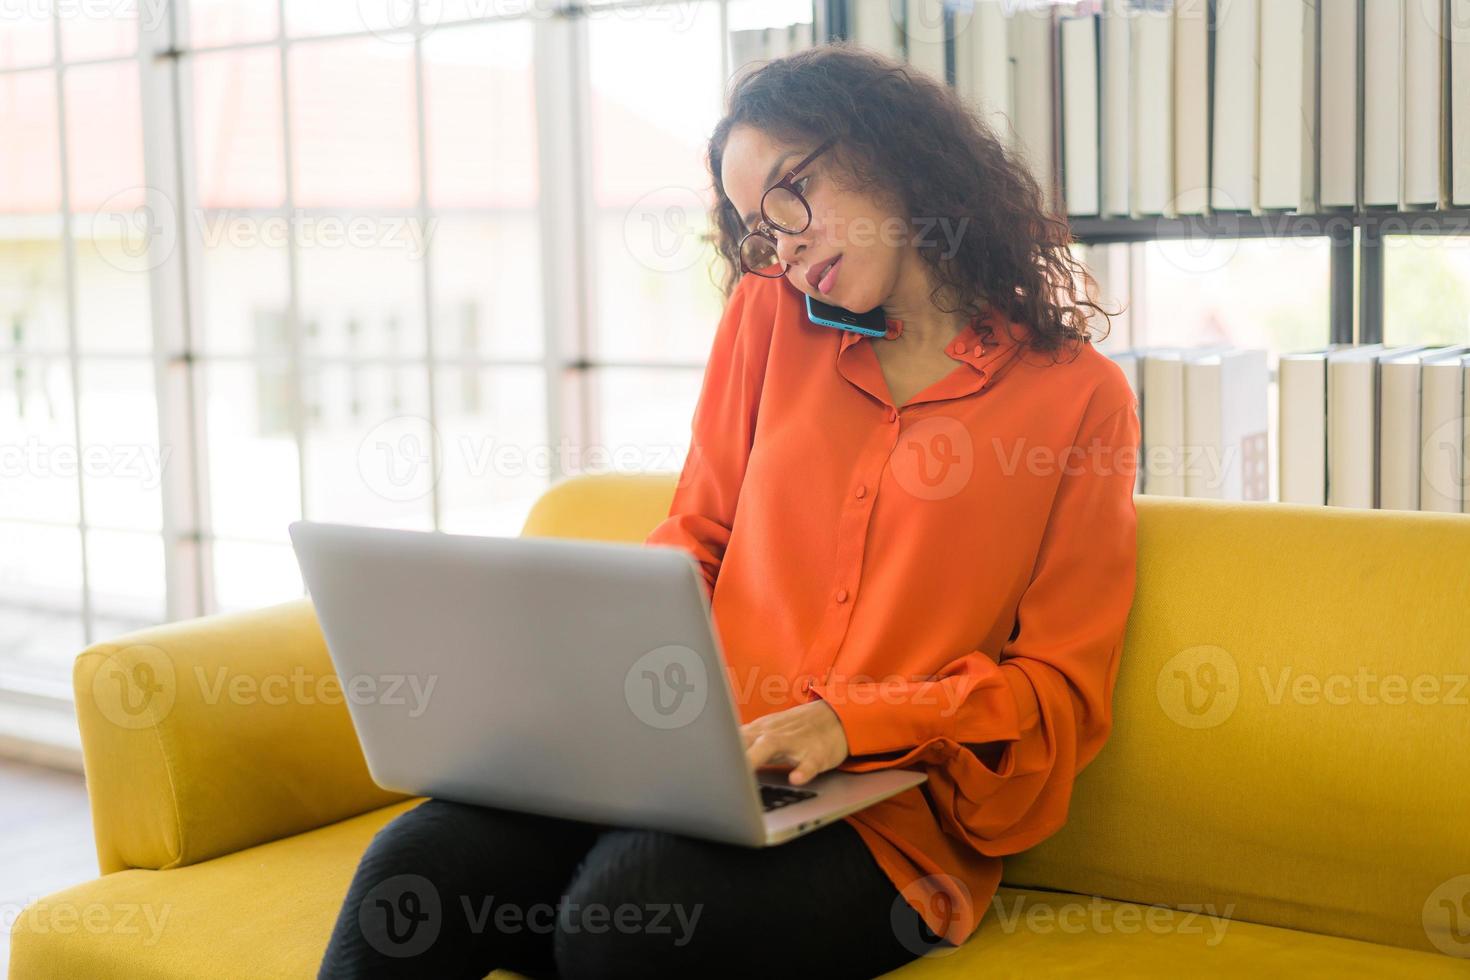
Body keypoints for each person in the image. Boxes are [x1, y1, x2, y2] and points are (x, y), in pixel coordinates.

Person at [319, 41, 1139, 980]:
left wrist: (847, 723)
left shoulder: (1080, 399)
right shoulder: (766, 318)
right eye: (756, 227)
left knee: (627, 915)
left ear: (894, 149)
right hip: (697, 771)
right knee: (413, 869)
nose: (782, 247)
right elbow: (697, 536)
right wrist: (599, 681)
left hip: (888, 822)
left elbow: (1057, 692)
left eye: (793, 193)